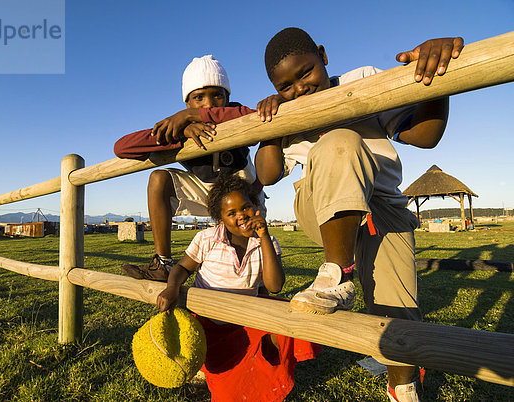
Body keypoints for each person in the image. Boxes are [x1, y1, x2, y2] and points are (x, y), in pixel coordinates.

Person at [189, 28, 464, 401]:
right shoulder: (289, 109)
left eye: (305, 73)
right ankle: (337, 272)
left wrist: (436, 82)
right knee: (338, 141)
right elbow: (268, 174)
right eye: (286, 86)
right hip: (322, 209)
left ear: (323, 55)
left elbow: (425, 136)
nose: (299, 88)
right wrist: (272, 127)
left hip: (383, 208)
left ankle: (402, 387)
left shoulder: (361, 80)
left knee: (399, 317)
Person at [156, 173, 321, 402]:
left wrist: (263, 237)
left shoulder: (267, 242)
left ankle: (264, 374)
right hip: (208, 324)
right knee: (227, 388)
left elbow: (274, 286)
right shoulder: (207, 239)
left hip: (244, 319)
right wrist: (172, 287)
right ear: (220, 218)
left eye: (245, 207)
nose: (241, 216)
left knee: (289, 319)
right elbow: (183, 267)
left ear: (255, 206)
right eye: (231, 213)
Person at [114, 55, 264, 281]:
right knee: (158, 178)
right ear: (187, 101)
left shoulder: (235, 114)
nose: (209, 104)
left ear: (228, 97)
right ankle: (163, 264)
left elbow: (256, 118)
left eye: (217, 96)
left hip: (245, 195)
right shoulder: (181, 126)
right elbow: (122, 147)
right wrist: (181, 132)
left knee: (253, 273)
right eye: (198, 99)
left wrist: (193, 115)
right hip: (206, 191)